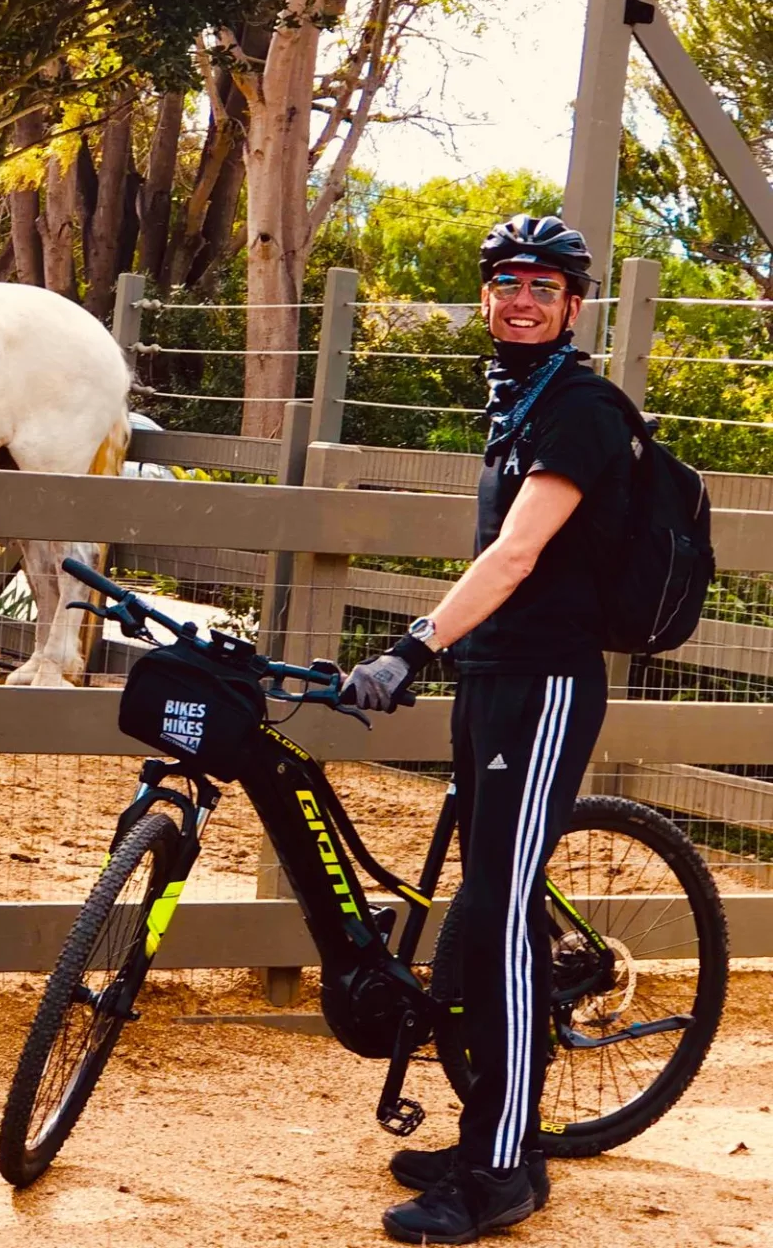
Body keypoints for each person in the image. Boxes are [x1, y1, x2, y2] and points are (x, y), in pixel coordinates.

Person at [340, 215, 633, 1246]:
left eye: (542, 287)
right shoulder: (518, 405)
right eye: (506, 282)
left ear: (573, 306)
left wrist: (408, 647)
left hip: (545, 685)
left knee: (503, 916)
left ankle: (504, 1167)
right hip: (491, 677)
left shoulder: (584, 410)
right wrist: (446, 656)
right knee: (487, 903)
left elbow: (512, 557)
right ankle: (486, 1130)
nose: (520, 298)